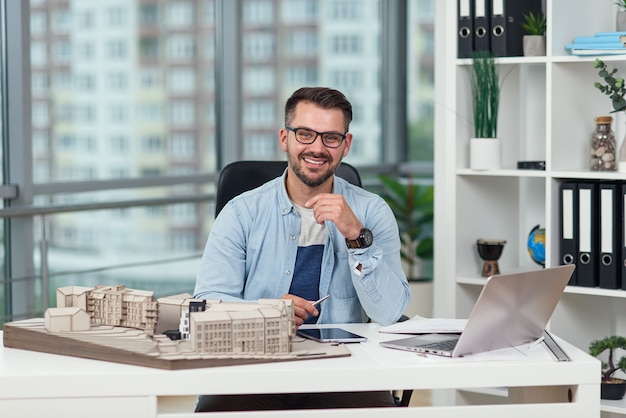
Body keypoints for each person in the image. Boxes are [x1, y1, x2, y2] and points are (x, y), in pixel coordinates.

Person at [193, 87, 411, 412]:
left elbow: (390, 313)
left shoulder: (371, 212)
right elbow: (206, 306)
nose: (317, 148)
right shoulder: (241, 212)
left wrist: (356, 237)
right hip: (254, 371)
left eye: (331, 138)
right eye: (305, 134)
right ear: (285, 138)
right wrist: (263, 313)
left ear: (345, 145)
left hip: (346, 374)